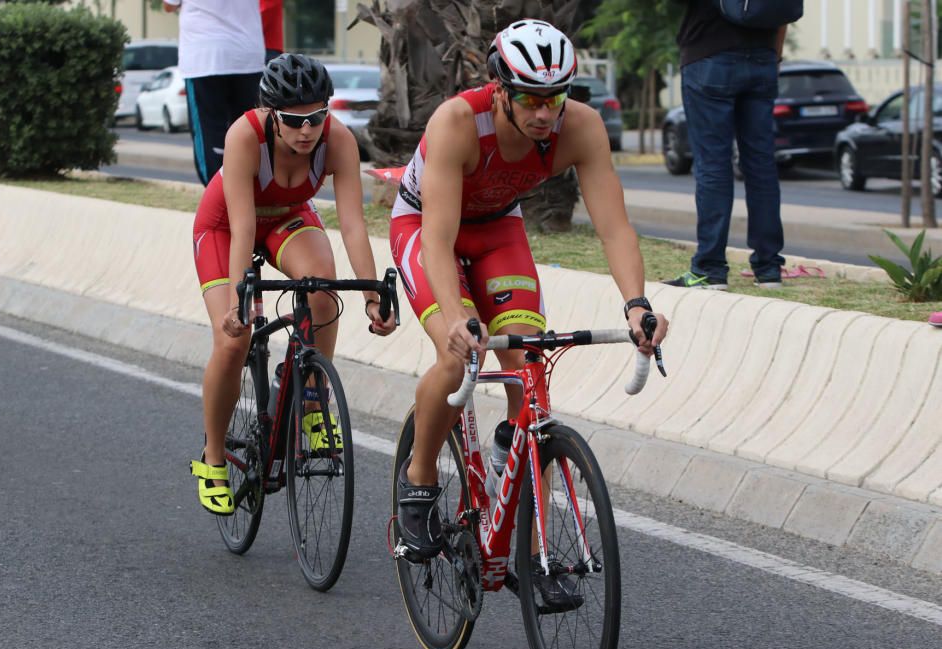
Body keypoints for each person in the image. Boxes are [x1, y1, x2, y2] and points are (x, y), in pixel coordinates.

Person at [389, 20, 668, 603]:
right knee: (454, 348)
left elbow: (614, 227)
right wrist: (458, 318)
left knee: (525, 359)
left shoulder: (581, 128)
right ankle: (417, 486)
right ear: (498, 89)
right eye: (531, 99)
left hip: (498, 232)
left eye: (555, 98)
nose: (545, 114)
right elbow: (438, 242)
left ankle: (536, 548)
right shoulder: (457, 123)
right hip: (426, 226)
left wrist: (638, 304)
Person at [189, 54, 397, 516]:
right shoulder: (245, 135)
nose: (307, 131)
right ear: (270, 114)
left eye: (317, 117)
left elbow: (354, 226)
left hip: (287, 218)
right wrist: (240, 305)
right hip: (226, 225)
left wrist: (369, 296)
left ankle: (309, 393)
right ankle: (214, 457)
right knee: (231, 342)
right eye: (294, 121)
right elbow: (242, 228)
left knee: (323, 292)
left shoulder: (337, 139)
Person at [663, 0, 789, 291]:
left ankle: (710, 268)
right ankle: (769, 269)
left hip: (708, 57)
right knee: (761, 165)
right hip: (764, 59)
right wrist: (774, 57)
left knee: (713, 165)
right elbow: (783, 12)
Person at [163, 0, 265, 185]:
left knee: (210, 135)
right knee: (248, 133)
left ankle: (219, 199)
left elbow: (169, 5)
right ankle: (249, 198)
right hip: (247, 55)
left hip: (204, 57)